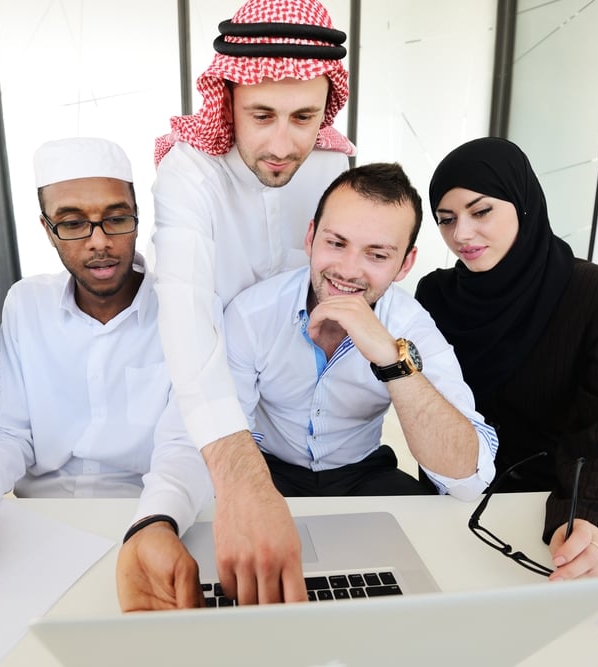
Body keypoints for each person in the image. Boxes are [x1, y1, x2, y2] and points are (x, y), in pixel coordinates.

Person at [0, 138, 212, 594]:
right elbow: (13, 431)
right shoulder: (26, 304)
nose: (100, 242)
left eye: (117, 218)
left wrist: (156, 522)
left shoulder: (185, 305)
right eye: (72, 223)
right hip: (34, 526)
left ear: (137, 216)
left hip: (151, 515)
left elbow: (184, 446)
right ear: (47, 228)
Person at [148, 0, 354, 606]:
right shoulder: (189, 172)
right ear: (228, 99)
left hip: (307, 422)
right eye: (261, 114)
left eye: (304, 117)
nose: (283, 143)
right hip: (211, 407)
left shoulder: (334, 164)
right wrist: (242, 482)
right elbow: (188, 325)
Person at [415, 137, 598, 580]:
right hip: (449, 503)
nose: (461, 235)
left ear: (523, 202)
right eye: (446, 220)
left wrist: (592, 518)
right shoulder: (435, 296)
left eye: (480, 211)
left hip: (554, 515)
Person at [224, 162, 498, 498]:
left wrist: (391, 360)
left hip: (362, 474)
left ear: (405, 264)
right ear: (310, 238)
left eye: (377, 255)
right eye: (336, 244)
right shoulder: (251, 313)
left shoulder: (410, 324)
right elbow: (228, 430)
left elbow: (469, 479)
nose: (348, 270)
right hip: (267, 468)